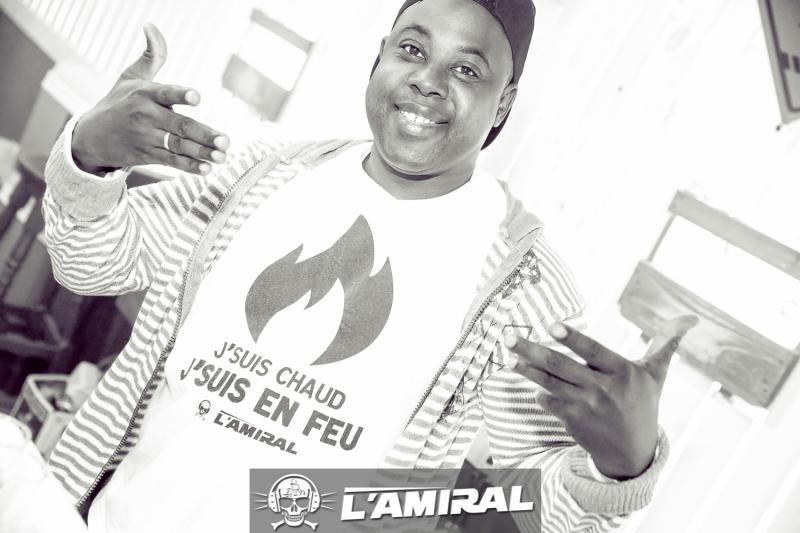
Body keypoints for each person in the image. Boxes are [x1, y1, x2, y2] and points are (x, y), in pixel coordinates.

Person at [42, 0, 696, 531]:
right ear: (379, 56)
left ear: (504, 103)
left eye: (468, 70)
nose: (428, 80)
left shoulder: (522, 287)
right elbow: (91, 263)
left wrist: (622, 467)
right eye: (412, 49)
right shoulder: (257, 176)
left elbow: (535, 509)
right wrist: (88, 159)